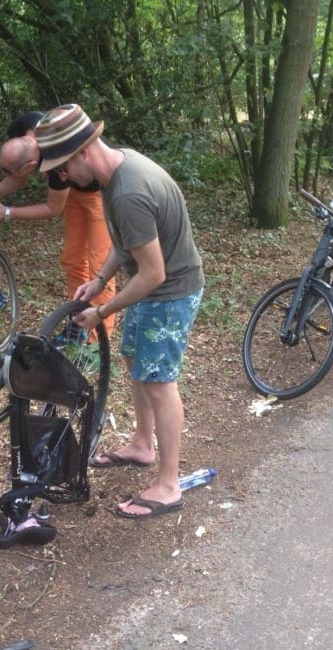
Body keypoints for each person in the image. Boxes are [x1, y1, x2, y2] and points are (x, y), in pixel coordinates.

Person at [35, 103, 204, 520]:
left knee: (159, 382)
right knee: (135, 361)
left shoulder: (128, 190)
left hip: (169, 293)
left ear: (82, 153)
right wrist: (98, 279)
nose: (63, 178)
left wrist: (102, 309)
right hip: (152, 289)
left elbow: (152, 273)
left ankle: (168, 485)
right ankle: (143, 444)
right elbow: (126, 241)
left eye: (62, 168)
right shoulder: (117, 170)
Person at [0, 111, 115, 334]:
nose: (10, 175)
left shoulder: (55, 163)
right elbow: (17, 176)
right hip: (74, 189)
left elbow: (53, 208)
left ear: (32, 163)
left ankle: (98, 338)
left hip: (99, 191)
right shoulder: (24, 124)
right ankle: (78, 321)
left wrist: (7, 212)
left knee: (100, 264)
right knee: (74, 259)